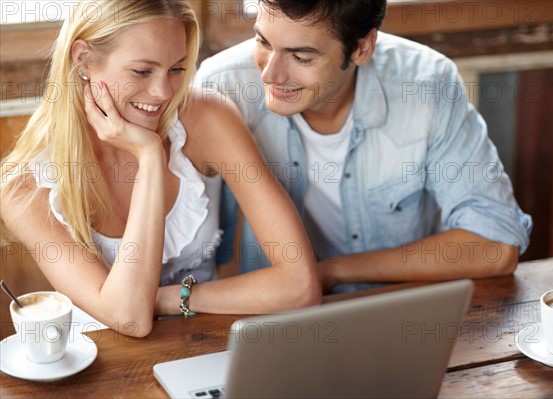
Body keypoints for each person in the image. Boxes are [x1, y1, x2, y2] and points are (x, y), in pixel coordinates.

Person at [0, 0, 321, 338]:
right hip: (103, 365)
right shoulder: (24, 188)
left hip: (202, 341)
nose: (163, 92)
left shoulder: (206, 118)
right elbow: (130, 319)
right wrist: (150, 156)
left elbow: (300, 286)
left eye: (176, 69)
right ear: (83, 60)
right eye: (142, 71)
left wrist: (169, 299)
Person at [196, 0, 533, 293]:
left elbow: (497, 245)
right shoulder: (221, 87)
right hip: (278, 317)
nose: (270, 75)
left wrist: (331, 272)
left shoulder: (428, 85)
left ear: (361, 48)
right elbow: (200, 250)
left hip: (401, 311)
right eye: (263, 41)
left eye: (301, 57)